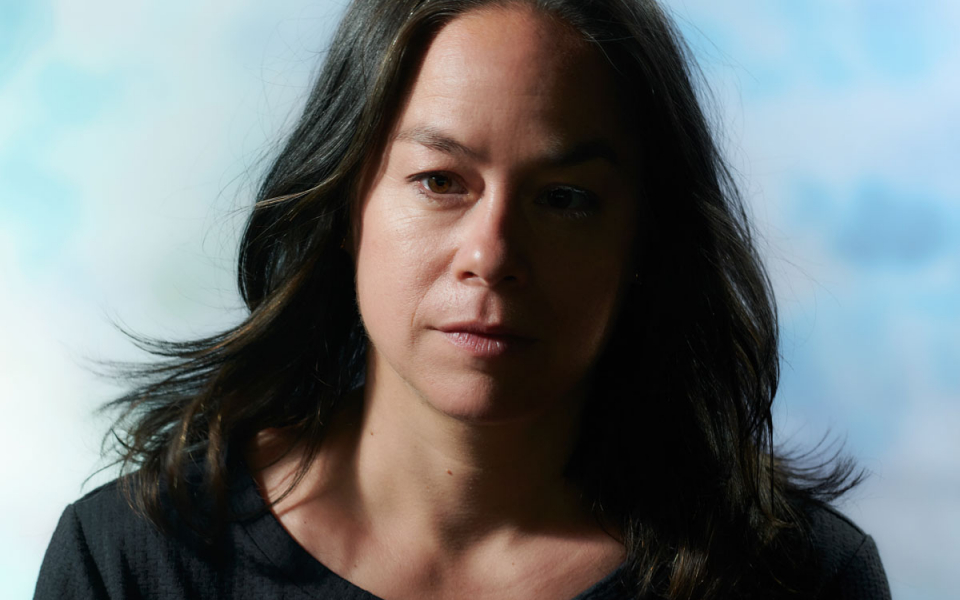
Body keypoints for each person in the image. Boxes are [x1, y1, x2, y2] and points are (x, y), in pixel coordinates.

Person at [34, 1, 891, 599]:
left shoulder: (801, 579)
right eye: (441, 180)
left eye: (564, 198)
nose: (492, 255)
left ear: (643, 240)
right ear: (345, 205)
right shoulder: (136, 563)